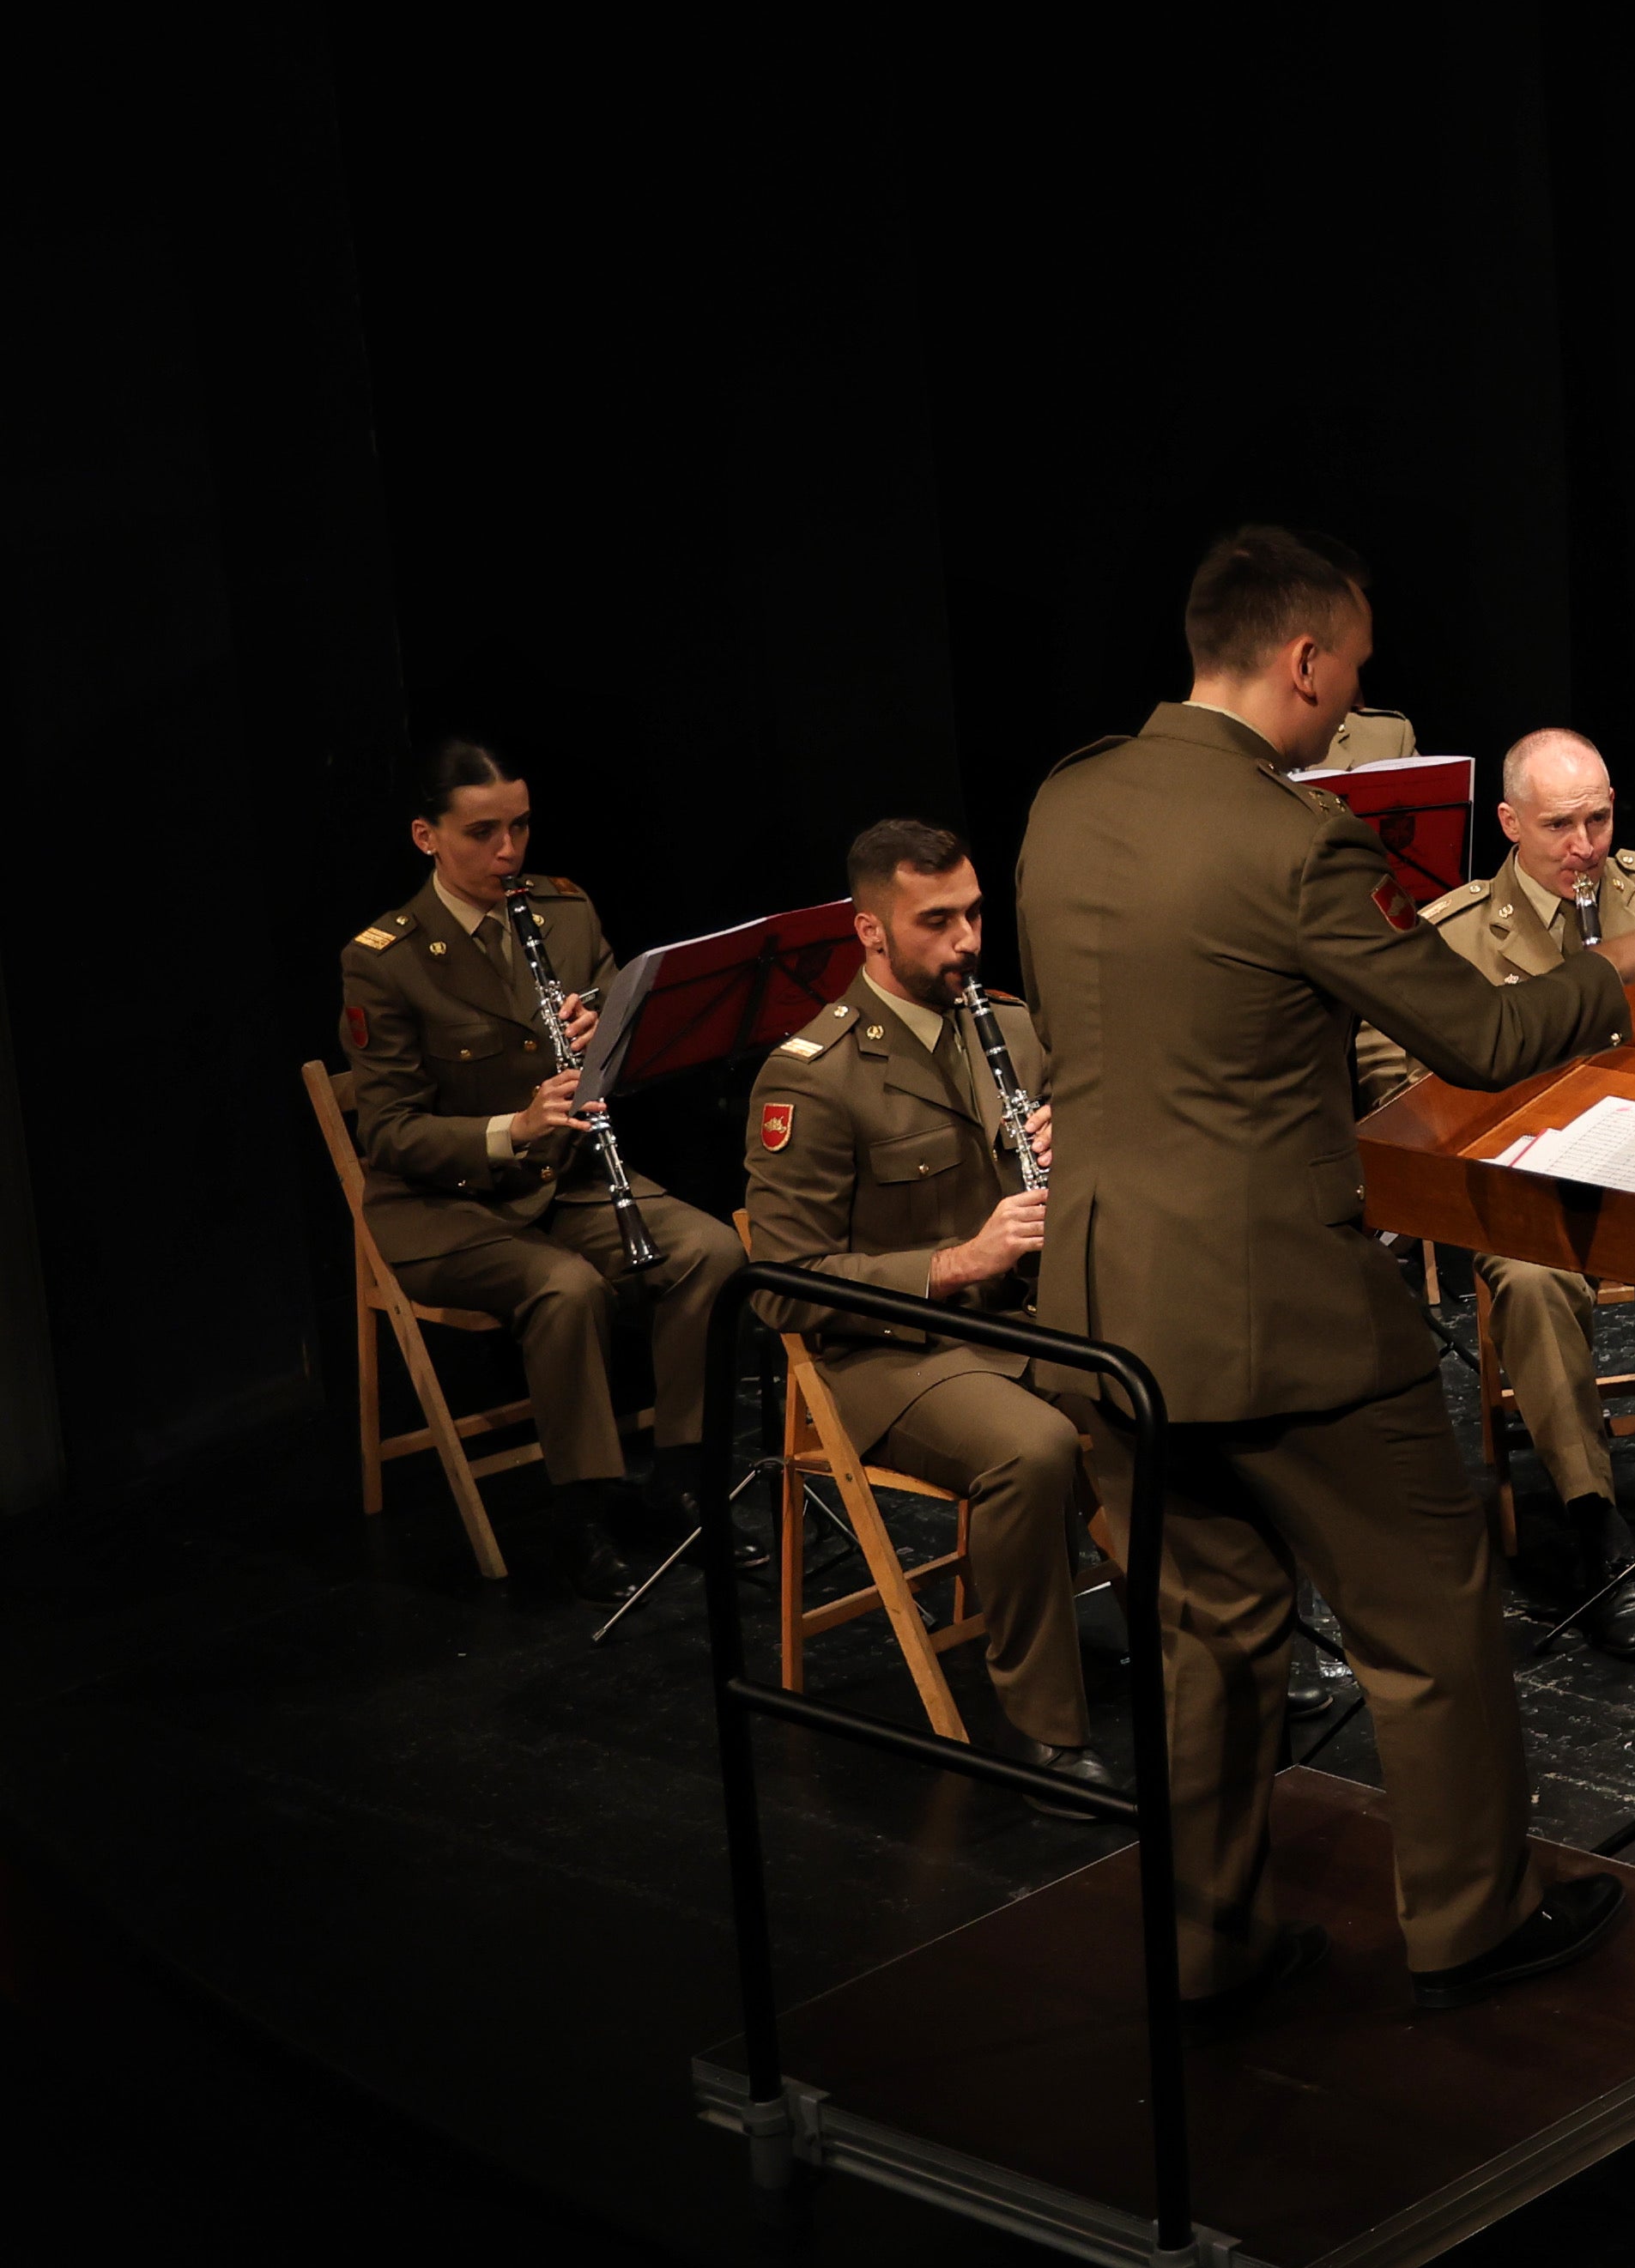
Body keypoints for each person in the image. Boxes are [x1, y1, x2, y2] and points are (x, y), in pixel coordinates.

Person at [1013, 522, 1635, 2035]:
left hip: (1100, 1297)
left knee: (1205, 1628)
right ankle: (1470, 1917)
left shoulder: (1064, 801)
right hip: (1281, 1309)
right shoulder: (1294, 835)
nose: (1349, 706)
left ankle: (1208, 1944)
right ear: (1304, 658)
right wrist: (1619, 970)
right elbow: (1476, 1034)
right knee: (1430, 1609)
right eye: (1352, 673)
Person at [1353, 728, 1635, 1662]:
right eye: (1561, 825)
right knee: (1530, 1277)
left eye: (1598, 818)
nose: (1585, 845)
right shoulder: (1458, 934)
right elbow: (1405, 1094)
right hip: (1534, 1176)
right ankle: (1597, 1521)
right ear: (1511, 823)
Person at [739, 820, 1102, 1796]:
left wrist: (1089, 1152)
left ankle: (1202, 1671)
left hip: (1014, 1325)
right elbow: (782, 1284)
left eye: (974, 914)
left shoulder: (1014, 1029)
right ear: (869, 934)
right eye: (936, 922)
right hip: (882, 1359)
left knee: (1159, 1395)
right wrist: (953, 1262)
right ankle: (1047, 1731)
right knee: (1035, 1449)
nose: (967, 941)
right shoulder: (812, 1075)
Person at [336, 740, 748, 1600]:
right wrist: (511, 1126)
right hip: (441, 1207)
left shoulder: (563, 912)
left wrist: (605, 1036)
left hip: (565, 1183)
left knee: (711, 1252)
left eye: (519, 826)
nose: (508, 852)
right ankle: (586, 1512)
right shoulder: (385, 958)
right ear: (426, 837)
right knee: (566, 1289)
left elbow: (620, 1036)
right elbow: (389, 1134)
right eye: (482, 832)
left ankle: (681, 1481)